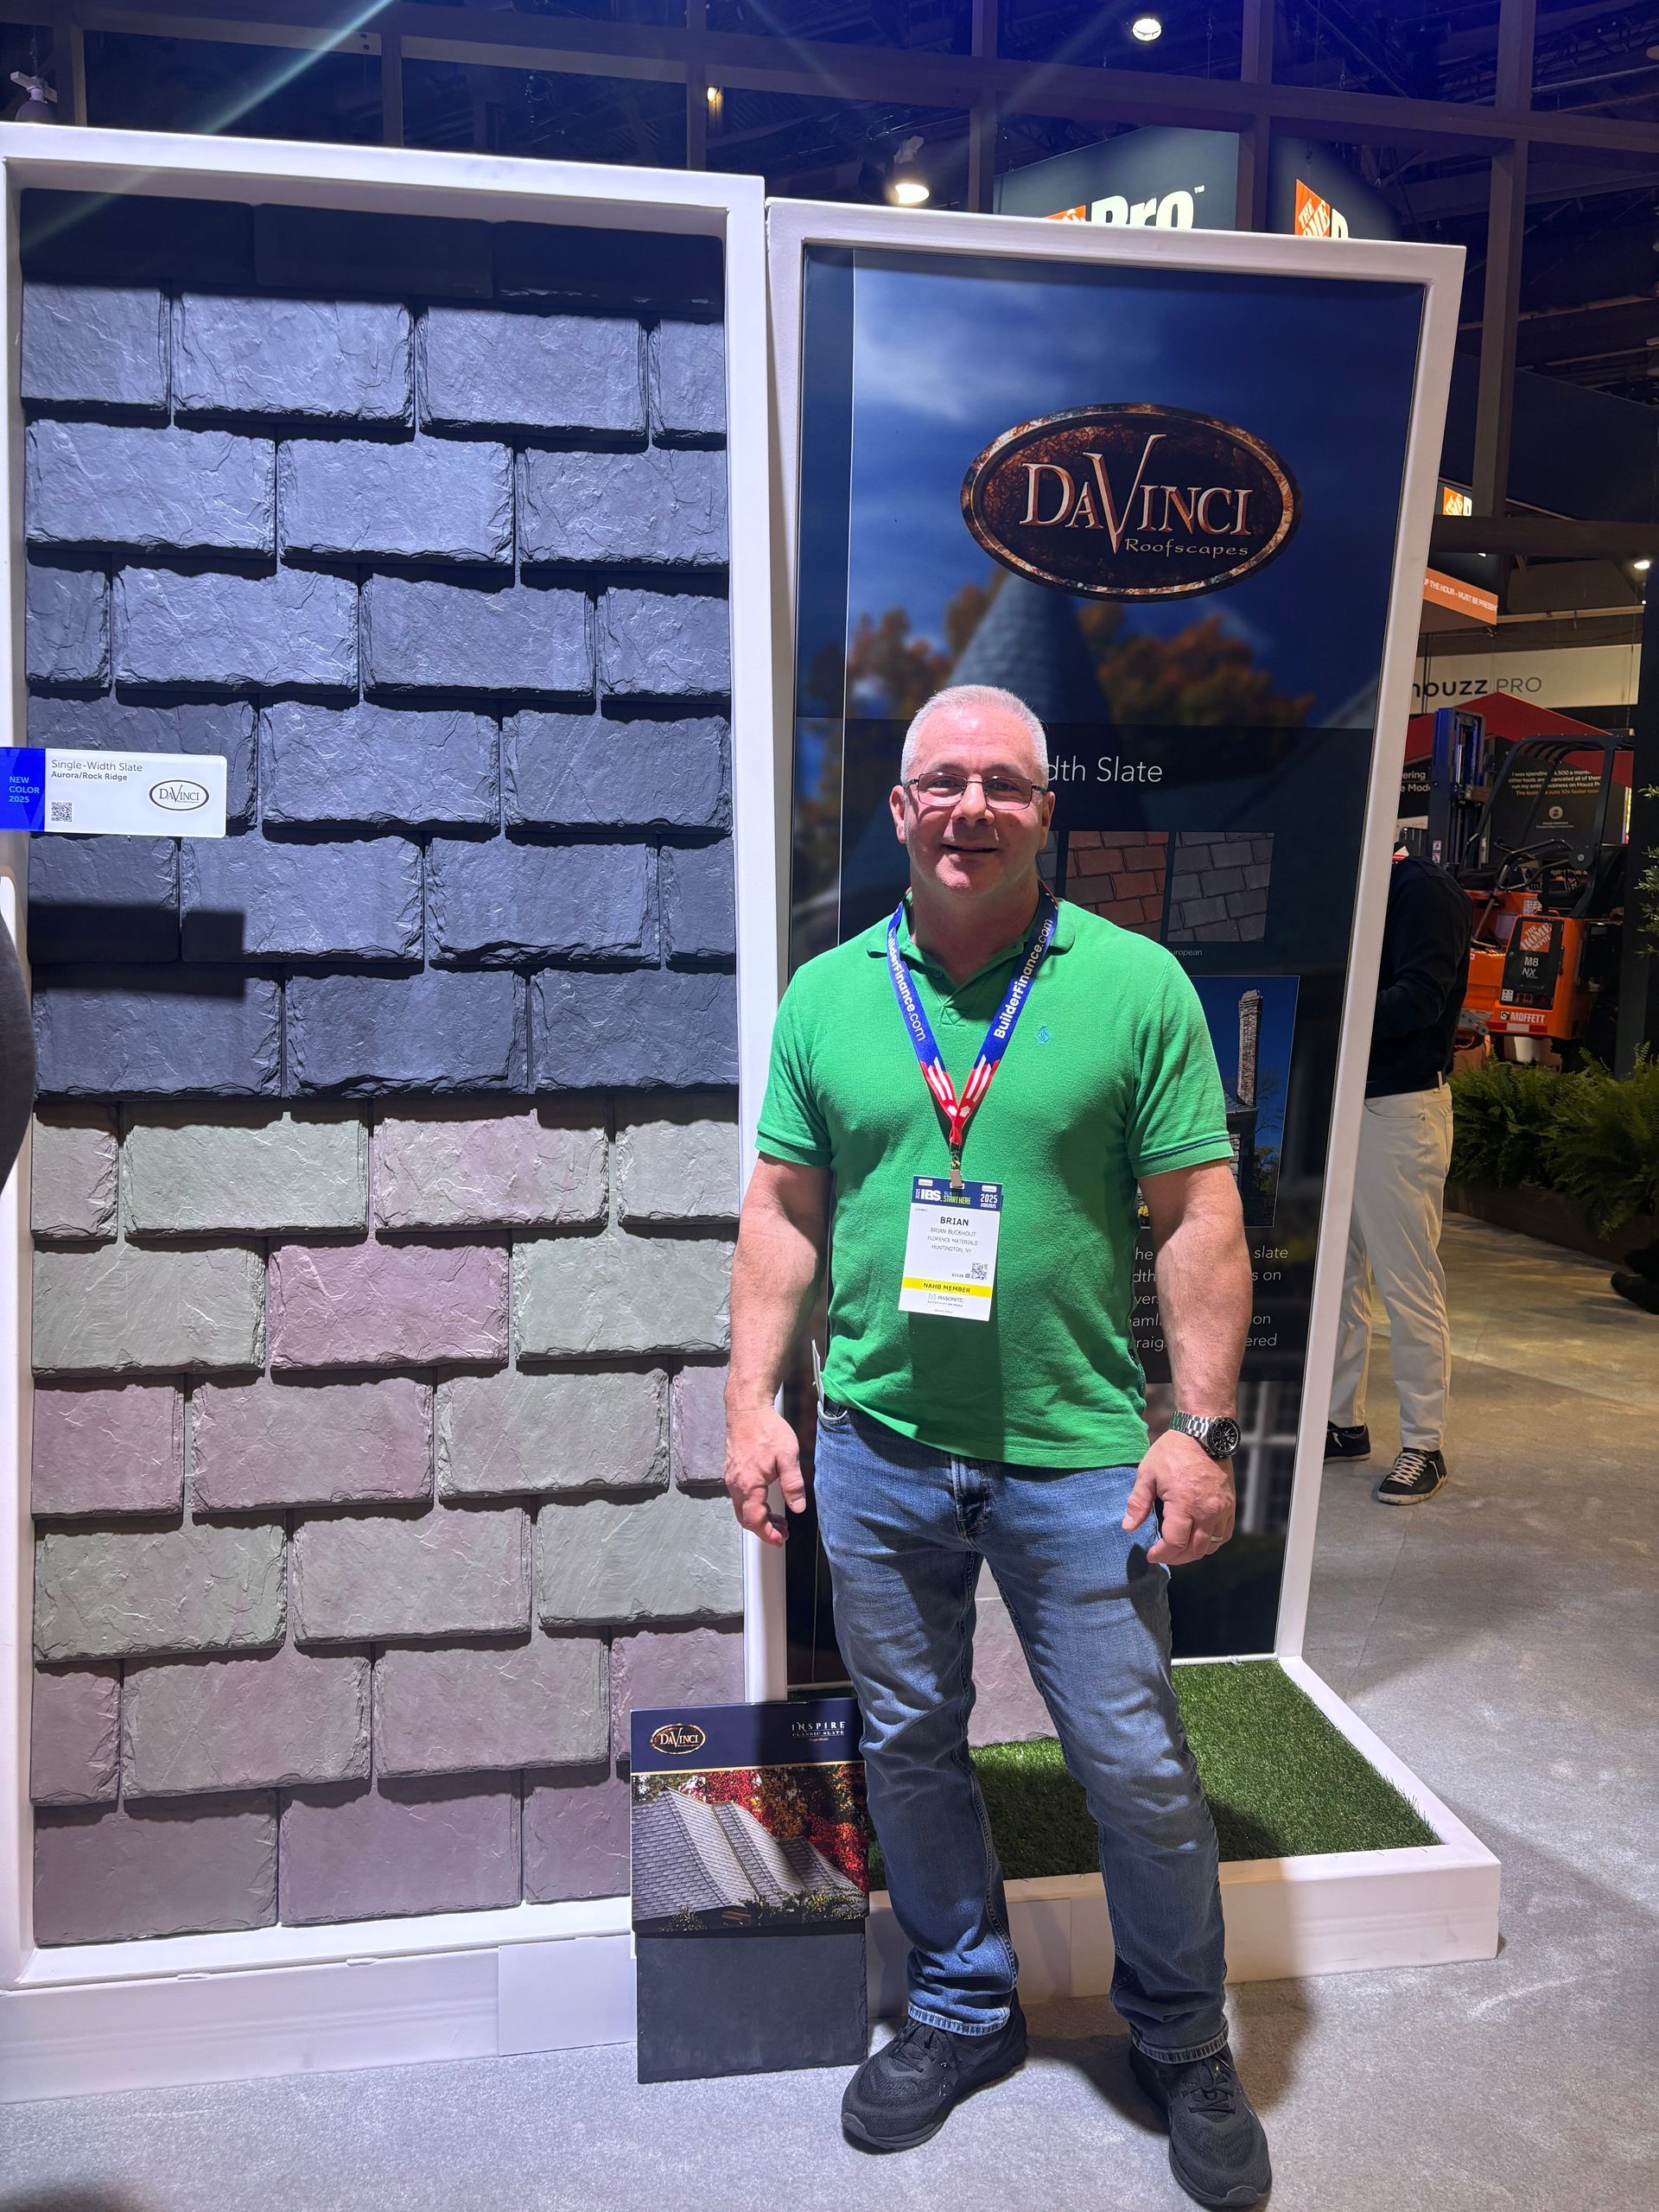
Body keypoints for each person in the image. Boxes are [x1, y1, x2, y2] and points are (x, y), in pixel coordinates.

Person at [724, 683, 1271, 2209]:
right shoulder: (830, 996)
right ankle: (961, 2008)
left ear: (1048, 811)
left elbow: (1198, 1222)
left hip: (1083, 1454)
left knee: (1136, 1764)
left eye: (1005, 786)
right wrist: (750, 1401)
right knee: (909, 1740)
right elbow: (782, 1212)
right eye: (942, 784)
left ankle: (1180, 2035)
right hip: (882, 1447)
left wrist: (1199, 1427)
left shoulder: (1137, 986)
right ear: (898, 811)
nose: (972, 809)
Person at [1325, 843, 1473, 1503]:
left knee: (1407, 1282)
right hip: (1347, 1102)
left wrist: (1330, 1023)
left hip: (1398, 1107)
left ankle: (1425, 1444)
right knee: (1341, 1277)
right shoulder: (1353, 885)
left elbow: (1422, 998)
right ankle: (1341, 1423)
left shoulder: (1421, 890)